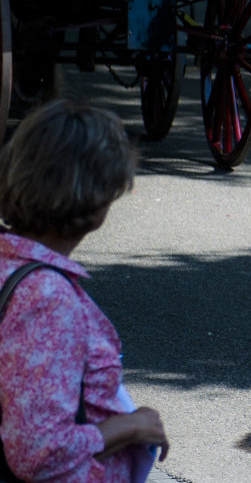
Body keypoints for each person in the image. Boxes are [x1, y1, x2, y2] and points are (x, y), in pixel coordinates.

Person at [0, 100, 170, 480]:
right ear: (96, 200)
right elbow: (38, 453)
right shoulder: (45, 296)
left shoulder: (10, 262)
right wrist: (132, 426)